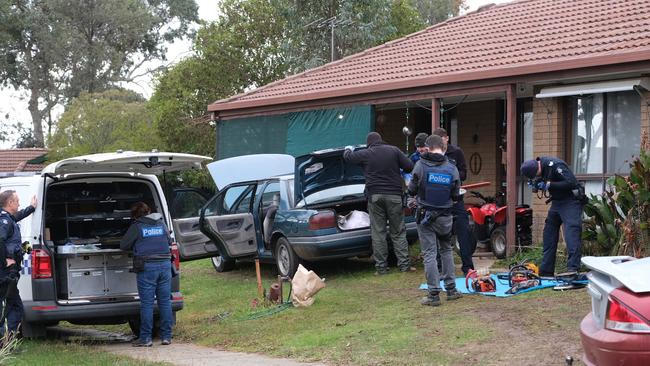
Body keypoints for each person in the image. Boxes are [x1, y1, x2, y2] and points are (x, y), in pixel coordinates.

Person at [344, 132, 415, 275]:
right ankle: (404, 266)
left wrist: (348, 149)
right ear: (381, 140)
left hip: (375, 196)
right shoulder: (394, 150)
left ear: (369, 143)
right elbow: (409, 166)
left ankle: (381, 268)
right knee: (398, 232)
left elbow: (348, 158)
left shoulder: (366, 153)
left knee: (378, 232)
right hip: (394, 195)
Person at [408, 135, 462, 306]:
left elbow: (411, 190)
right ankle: (452, 289)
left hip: (425, 216)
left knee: (430, 254)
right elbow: (456, 195)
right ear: (442, 147)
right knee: (446, 250)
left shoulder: (420, 166)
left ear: (428, 147)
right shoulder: (451, 168)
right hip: (446, 217)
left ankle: (433, 294)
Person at [520, 157, 585, 278]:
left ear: (536, 169)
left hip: (571, 201)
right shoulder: (540, 169)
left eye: (534, 176)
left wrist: (549, 185)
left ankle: (573, 269)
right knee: (549, 233)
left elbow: (570, 182)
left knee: (571, 234)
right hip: (557, 202)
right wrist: (538, 185)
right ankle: (546, 271)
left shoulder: (555, 165)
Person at [121, 202, 173, 347]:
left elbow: (124, 245)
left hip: (147, 267)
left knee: (147, 304)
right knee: (165, 302)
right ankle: (166, 337)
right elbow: (169, 240)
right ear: (149, 211)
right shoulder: (161, 224)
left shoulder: (137, 226)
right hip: (165, 266)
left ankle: (145, 338)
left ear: (135, 215)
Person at [432, 128, 474, 275]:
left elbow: (464, 174)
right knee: (439, 234)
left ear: (447, 138)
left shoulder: (456, 152)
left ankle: (468, 267)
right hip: (439, 200)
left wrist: (451, 174)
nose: (439, 143)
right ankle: (439, 268)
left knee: (463, 231)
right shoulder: (432, 155)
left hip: (456, 198)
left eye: (441, 139)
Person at [0, 190, 37, 335]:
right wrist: (3, 261)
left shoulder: (8, 219)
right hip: (6, 273)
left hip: (9, 273)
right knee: (10, 308)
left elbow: (17, 216)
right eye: (17, 201)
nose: (19, 203)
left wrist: (31, 208)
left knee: (14, 307)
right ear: (10, 203)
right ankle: (5, 342)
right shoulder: (4, 221)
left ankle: (7, 341)